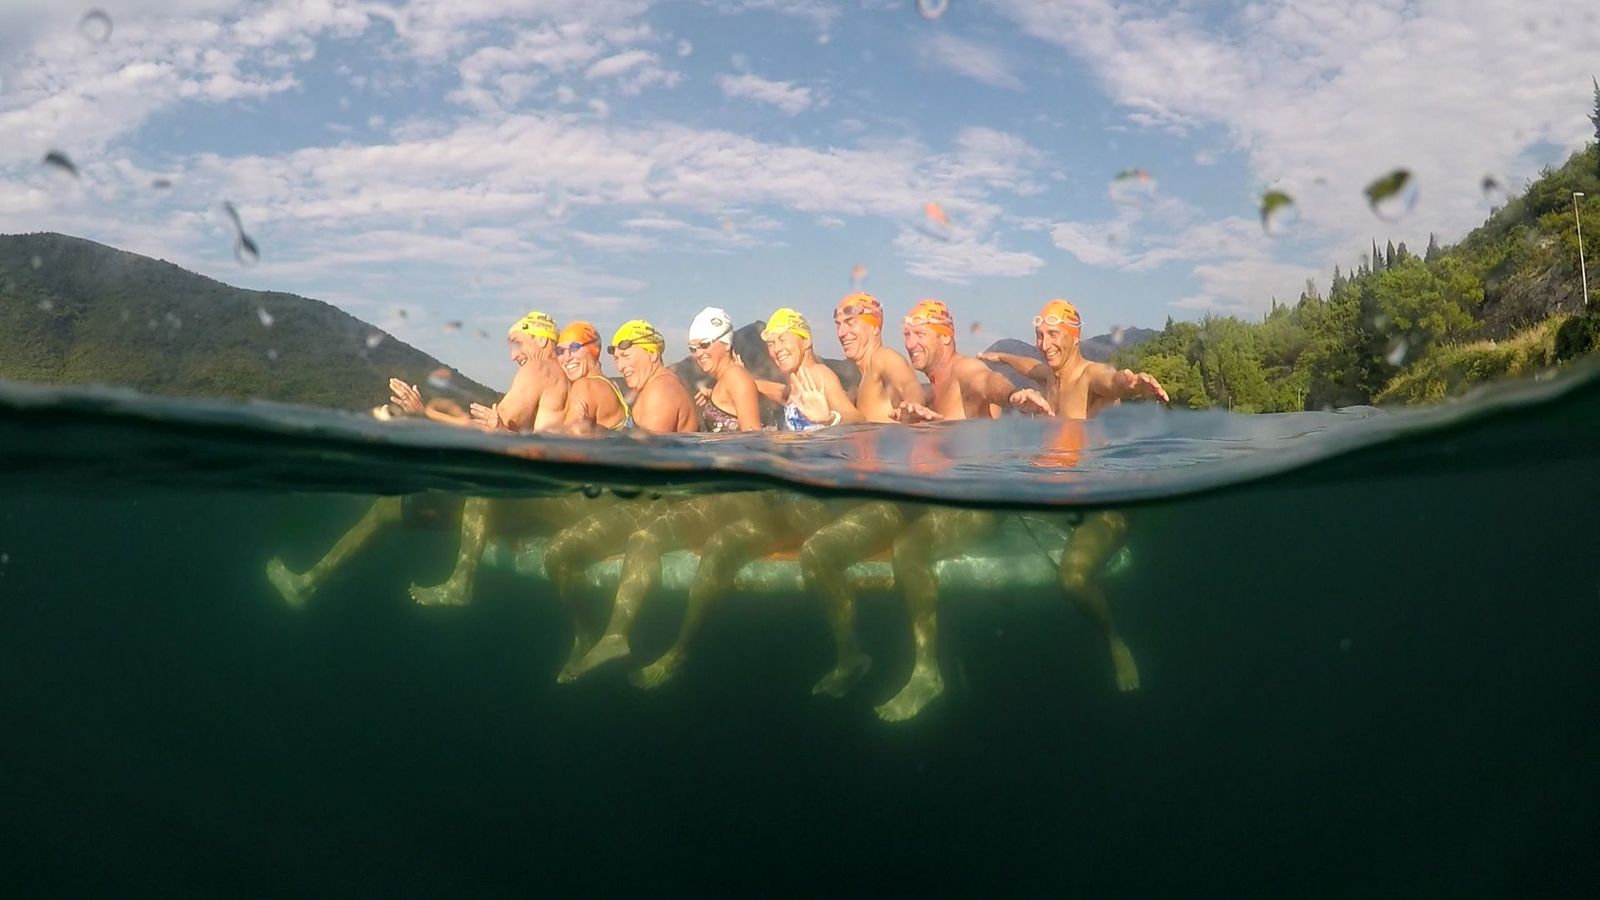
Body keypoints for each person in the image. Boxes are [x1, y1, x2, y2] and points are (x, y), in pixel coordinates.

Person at [980, 298, 1169, 418]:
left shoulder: (1089, 375)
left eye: (1053, 334)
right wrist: (1002, 357)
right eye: (1040, 335)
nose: (1044, 345)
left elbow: (1111, 380)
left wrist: (1131, 385)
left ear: (1074, 337)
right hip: (1048, 471)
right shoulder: (1050, 376)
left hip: (1082, 476)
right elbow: (1030, 366)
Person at [892, 299, 1026, 423]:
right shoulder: (931, 391)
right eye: (907, 335)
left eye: (920, 334)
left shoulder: (963, 368)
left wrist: (1012, 394)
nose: (909, 344)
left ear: (945, 337)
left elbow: (987, 380)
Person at [760, 307, 861, 431]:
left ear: (806, 341)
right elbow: (779, 392)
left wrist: (830, 419)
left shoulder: (819, 374)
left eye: (783, 339)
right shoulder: (796, 381)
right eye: (771, 344)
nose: (776, 349)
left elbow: (857, 419)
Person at [469, 311, 570, 433]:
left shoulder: (539, 368)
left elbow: (491, 427)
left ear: (542, 340)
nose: (513, 356)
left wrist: (440, 416)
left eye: (518, 344)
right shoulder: (573, 376)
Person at [832, 293, 925, 422]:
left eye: (851, 323)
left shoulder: (883, 357)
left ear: (875, 327)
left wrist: (913, 404)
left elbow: (908, 384)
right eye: (838, 325)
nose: (840, 333)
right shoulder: (863, 379)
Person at [609, 319, 699, 433]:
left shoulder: (660, 392)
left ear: (652, 354)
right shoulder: (659, 385)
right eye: (616, 359)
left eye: (626, 356)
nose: (620, 366)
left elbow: (650, 450)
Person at [686, 306, 762, 432]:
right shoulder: (725, 379)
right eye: (693, 349)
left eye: (704, 345)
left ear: (726, 344)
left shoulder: (736, 377)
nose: (698, 354)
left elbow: (753, 437)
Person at [552, 320, 628, 433]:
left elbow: (567, 444)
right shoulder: (610, 386)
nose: (567, 358)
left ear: (594, 350)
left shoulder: (585, 386)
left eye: (575, 347)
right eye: (560, 351)